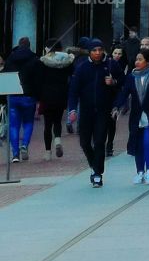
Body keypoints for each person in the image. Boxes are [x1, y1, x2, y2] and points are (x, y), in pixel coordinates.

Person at [112, 48, 149, 184]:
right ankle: (140, 172)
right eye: (136, 59)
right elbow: (124, 93)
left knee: (148, 142)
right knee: (137, 145)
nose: (137, 62)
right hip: (137, 116)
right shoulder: (131, 77)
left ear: (148, 62)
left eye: (140, 59)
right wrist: (117, 106)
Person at [67, 38, 118, 186]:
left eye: (99, 50)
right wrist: (72, 109)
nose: (97, 53)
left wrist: (113, 82)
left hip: (103, 111)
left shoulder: (110, 65)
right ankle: (93, 165)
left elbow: (123, 82)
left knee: (100, 141)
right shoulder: (82, 68)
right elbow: (73, 91)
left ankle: (97, 173)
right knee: (84, 142)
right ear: (89, 52)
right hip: (86, 111)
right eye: (94, 50)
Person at [22, 40, 74, 160]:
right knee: (57, 121)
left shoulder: (43, 62)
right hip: (61, 95)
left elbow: (38, 80)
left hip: (46, 96)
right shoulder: (67, 61)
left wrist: (38, 96)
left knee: (47, 124)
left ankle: (48, 152)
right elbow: (72, 74)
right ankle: (58, 141)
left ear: (48, 48)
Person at [4, 37, 38, 163]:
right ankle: (24, 144)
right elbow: (38, 80)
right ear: (29, 46)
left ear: (18, 45)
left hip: (13, 95)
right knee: (28, 123)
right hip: (29, 96)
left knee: (14, 126)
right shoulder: (34, 59)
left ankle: (15, 154)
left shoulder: (10, 59)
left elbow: (5, 76)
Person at [105, 48, 128, 158]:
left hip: (113, 97)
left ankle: (109, 145)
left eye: (120, 53)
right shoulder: (91, 65)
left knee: (111, 123)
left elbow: (122, 79)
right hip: (99, 99)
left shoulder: (113, 64)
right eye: (115, 53)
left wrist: (114, 81)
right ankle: (100, 144)